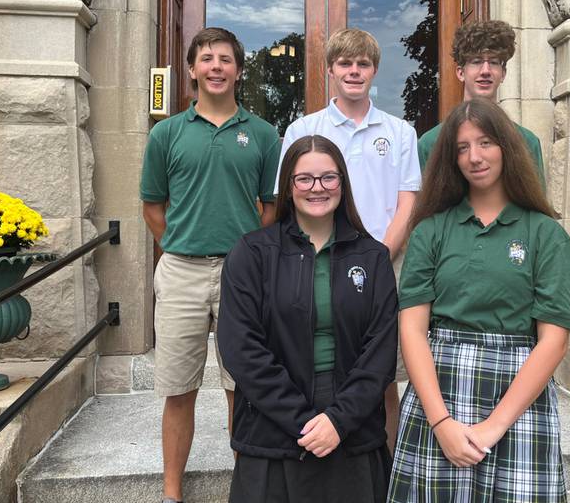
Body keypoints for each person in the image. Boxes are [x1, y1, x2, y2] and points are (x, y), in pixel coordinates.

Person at [388, 99, 570, 502]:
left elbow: (554, 341)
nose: (474, 157)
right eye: (461, 147)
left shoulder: (545, 234)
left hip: (518, 398)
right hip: (439, 390)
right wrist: (440, 423)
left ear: (508, 148)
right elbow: (413, 330)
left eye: (486, 142)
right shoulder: (430, 231)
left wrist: (494, 426)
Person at [140, 27, 280, 503]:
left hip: (243, 277)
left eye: (225, 59)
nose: (216, 66)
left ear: (239, 70)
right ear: (193, 69)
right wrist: (181, 244)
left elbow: (270, 208)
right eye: (206, 58)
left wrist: (244, 256)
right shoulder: (167, 133)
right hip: (180, 272)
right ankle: (172, 493)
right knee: (179, 389)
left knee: (242, 388)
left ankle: (246, 490)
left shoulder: (262, 134)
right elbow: (152, 207)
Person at [219, 135, 398, 502]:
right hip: (273, 426)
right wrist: (302, 421)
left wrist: (338, 420)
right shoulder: (252, 253)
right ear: (288, 186)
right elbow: (240, 348)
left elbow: (380, 353)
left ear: (343, 184)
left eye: (329, 177)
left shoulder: (373, 257)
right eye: (305, 179)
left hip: (352, 429)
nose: (318, 188)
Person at [276, 28, 421, 447]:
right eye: (345, 64)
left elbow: (407, 203)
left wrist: (378, 256)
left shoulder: (399, 132)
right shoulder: (304, 129)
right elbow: (290, 197)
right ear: (330, 71)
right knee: (316, 364)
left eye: (363, 64)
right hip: (314, 260)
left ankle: (387, 466)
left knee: (383, 373)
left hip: (384, 265)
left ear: (374, 70)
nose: (354, 72)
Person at [417, 20, 545, 182]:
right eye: (476, 62)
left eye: (493, 62)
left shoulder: (527, 142)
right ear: (460, 72)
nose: (485, 71)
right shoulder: (431, 143)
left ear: (503, 73)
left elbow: (535, 205)